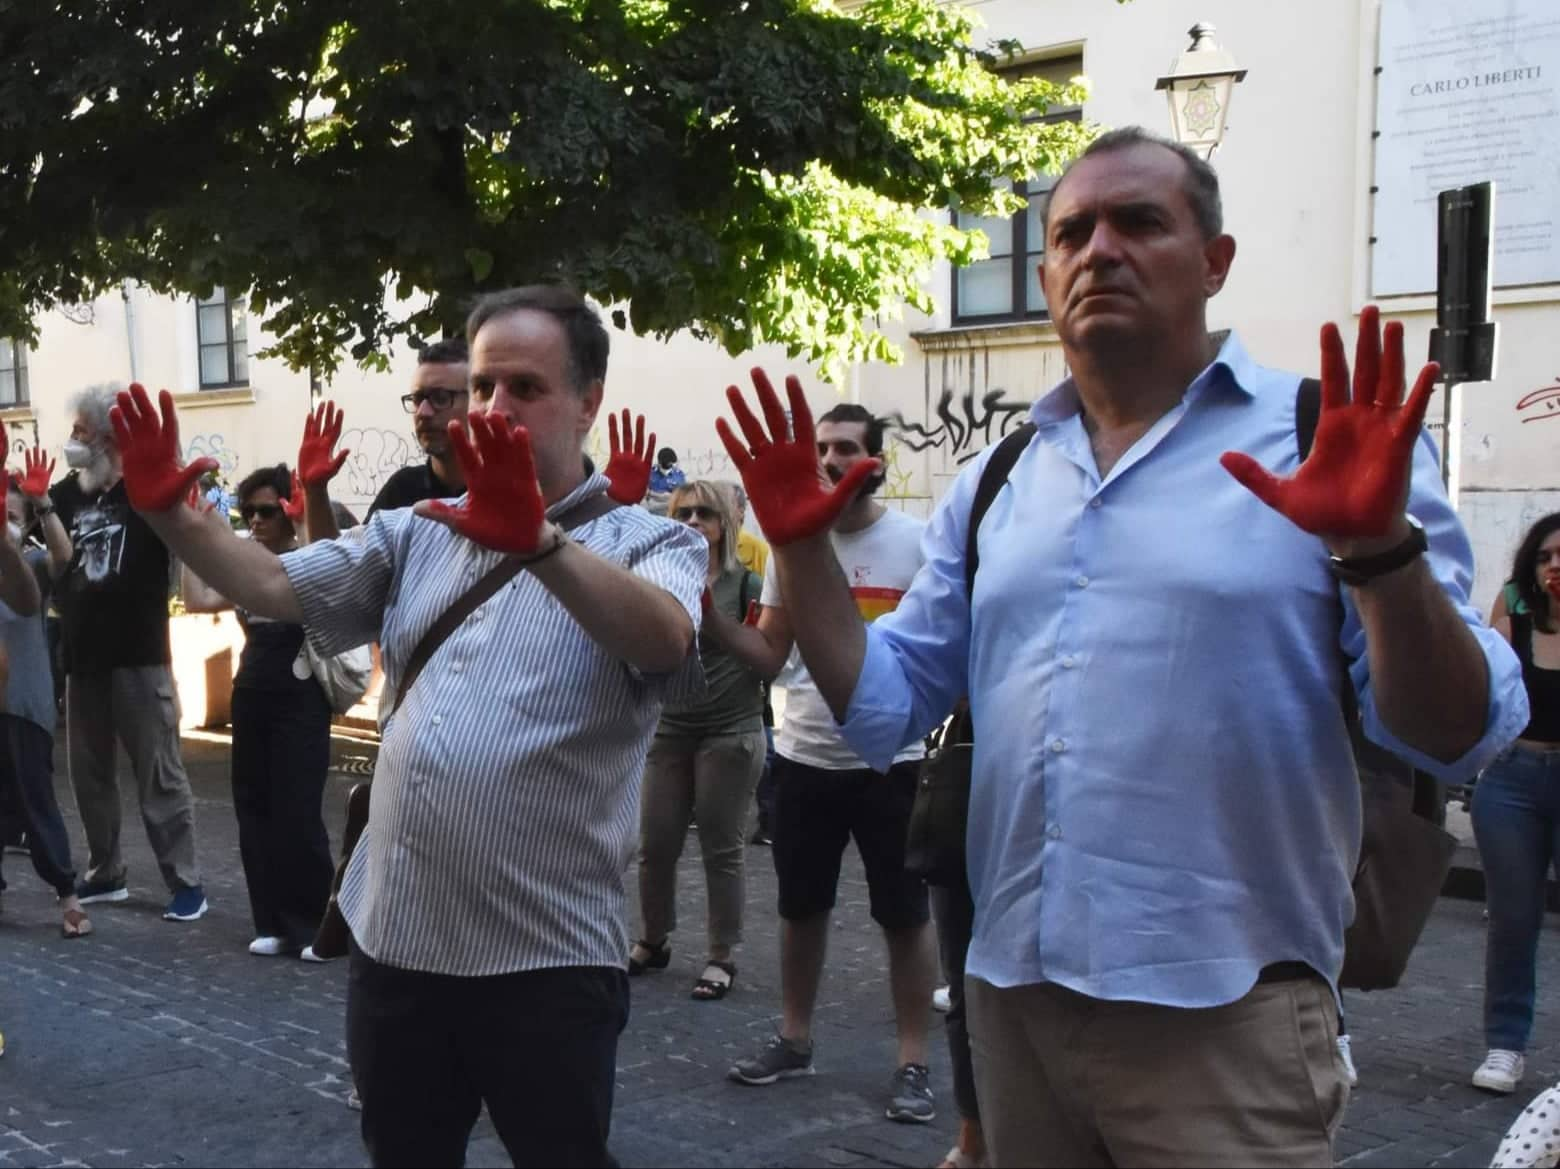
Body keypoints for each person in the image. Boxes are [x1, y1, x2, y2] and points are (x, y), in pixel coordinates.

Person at [716, 126, 1526, 1166]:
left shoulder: (1324, 437)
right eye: (1070, 232)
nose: (1100, 249)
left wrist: (1379, 552)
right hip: (1015, 1000)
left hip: (1227, 1013)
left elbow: (1453, 733)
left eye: (1141, 222)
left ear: (1215, 261)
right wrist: (798, 546)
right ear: (1047, 269)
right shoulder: (1003, 475)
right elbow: (882, 706)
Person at [109, 284, 706, 1169]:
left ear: (589, 401)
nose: (496, 408)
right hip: (400, 942)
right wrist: (170, 515)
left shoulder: (649, 543)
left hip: (545, 956)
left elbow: (663, 637)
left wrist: (539, 542)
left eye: (526, 389)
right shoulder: (418, 528)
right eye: (484, 387)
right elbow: (276, 586)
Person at [724, 403, 940, 1128]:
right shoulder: (795, 546)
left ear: (874, 459)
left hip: (895, 764)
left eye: (847, 448)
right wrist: (707, 620)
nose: (831, 459)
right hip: (805, 754)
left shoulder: (916, 541)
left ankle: (913, 1061)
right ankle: (795, 1038)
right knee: (800, 906)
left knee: (905, 916)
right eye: (822, 448)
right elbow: (768, 653)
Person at [50, 384, 207, 922]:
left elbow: (190, 543)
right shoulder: (66, 496)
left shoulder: (145, 492)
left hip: (140, 657)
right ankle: (106, 872)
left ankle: (185, 882)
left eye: (80, 432)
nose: (72, 443)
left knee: (158, 774)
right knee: (89, 775)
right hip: (81, 658)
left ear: (109, 438)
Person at [180, 465, 334, 959]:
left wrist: (307, 515)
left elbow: (328, 580)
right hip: (251, 691)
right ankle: (270, 920)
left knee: (298, 810)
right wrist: (188, 536)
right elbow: (199, 599)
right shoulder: (249, 566)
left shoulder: (304, 558)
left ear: (288, 511)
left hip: (300, 694)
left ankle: (316, 924)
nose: (257, 521)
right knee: (255, 810)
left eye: (268, 511)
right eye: (249, 513)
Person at [631, 480, 772, 1000]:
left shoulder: (748, 583)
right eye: (683, 513)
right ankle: (652, 938)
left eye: (705, 514)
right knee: (656, 843)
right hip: (669, 725)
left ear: (724, 525)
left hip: (729, 728)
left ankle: (720, 954)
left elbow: (765, 655)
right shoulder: (659, 576)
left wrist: (709, 614)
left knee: (722, 845)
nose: (692, 522)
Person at [1471, 513, 1560, 1094]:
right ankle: (1505, 1045)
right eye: (1546, 557)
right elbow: (1487, 696)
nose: (1555, 566)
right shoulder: (1515, 624)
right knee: (1514, 918)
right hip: (1511, 781)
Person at [0, 452, 90, 939]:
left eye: (11, 517)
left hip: (24, 703)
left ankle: (68, 896)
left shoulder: (29, 563)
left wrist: (42, 503)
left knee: (36, 800)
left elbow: (64, 557)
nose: (4, 524)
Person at [301, 337, 472, 541]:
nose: (423, 412)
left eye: (441, 398)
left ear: (479, 399)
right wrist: (315, 492)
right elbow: (343, 565)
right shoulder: (402, 490)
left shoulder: (508, 491)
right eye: (417, 399)